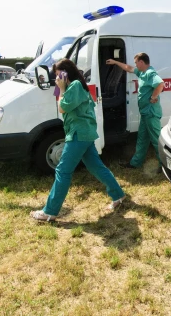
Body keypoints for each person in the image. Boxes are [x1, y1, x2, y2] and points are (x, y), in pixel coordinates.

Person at [30, 58, 125, 222]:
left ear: (67, 73)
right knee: (96, 167)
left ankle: (50, 212)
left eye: (59, 75)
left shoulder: (74, 86)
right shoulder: (76, 86)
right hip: (84, 134)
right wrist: (61, 89)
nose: (57, 79)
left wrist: (61, 89)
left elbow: (62, 107)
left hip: (78, 134)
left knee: (63, 171)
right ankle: (118, 196)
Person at [107, 52, 165, 171]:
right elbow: (129, 68)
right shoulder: (142, 73)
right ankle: (135, 163)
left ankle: (164, 165)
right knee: (142, 139)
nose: (135, 65)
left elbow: (160, 84)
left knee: (156, 140)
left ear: (141, 62)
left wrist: (153, 97)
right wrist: (115, 62)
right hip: (145, 113)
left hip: (151, 113)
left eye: (136, 63)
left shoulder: (150, 73)